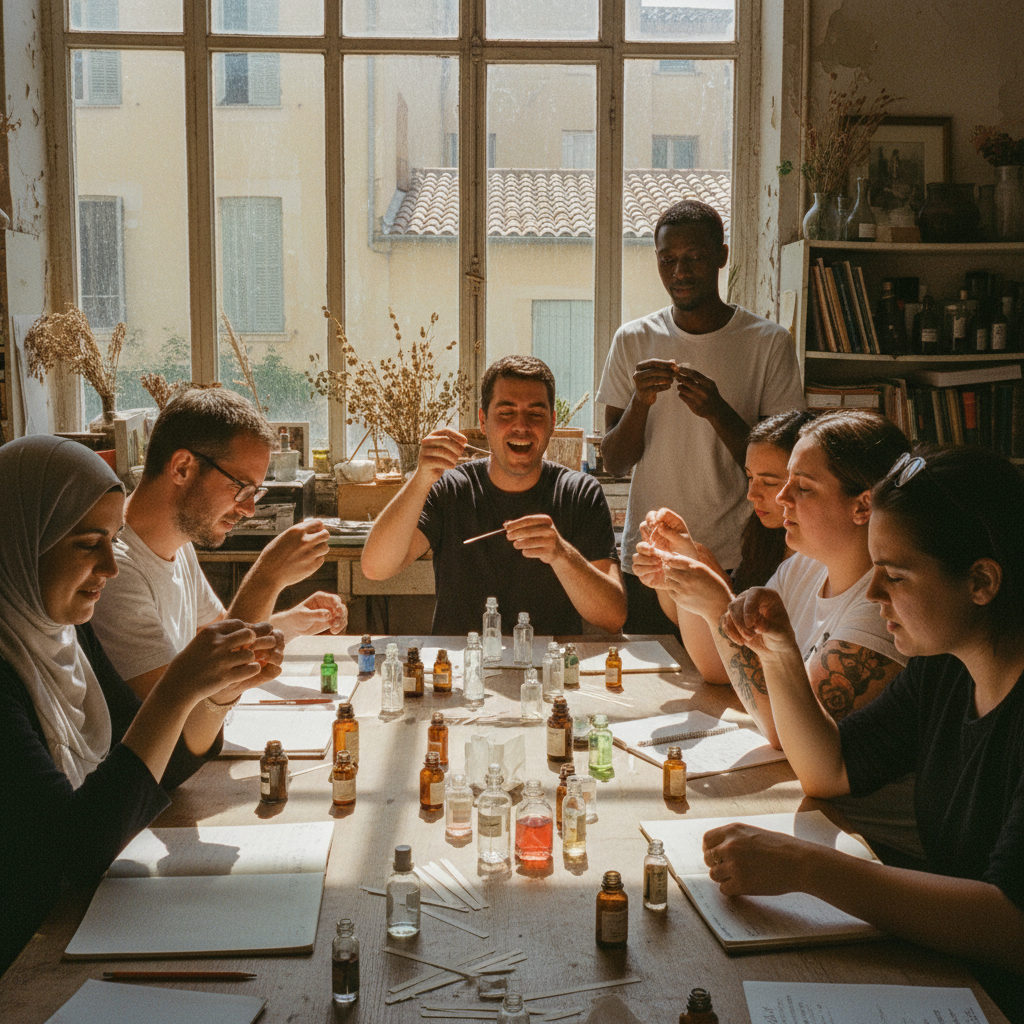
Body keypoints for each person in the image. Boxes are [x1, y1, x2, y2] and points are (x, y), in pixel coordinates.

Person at [705, 446, 1024, 1023]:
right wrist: (777, 651)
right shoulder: (946, 669)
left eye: (894, 576)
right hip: (950, 974)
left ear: (981, 581)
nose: (873, 595)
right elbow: (829, 770)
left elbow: (1010, 925)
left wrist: (809, 868)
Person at [1, 435, 284, 973]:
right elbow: (72, 852)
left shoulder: (64, 637)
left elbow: (162, 764)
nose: (110, 565)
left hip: (73, 926)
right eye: (88, 544)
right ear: (18, 540)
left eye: (111, 540)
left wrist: (219, 689)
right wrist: (178, 688)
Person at [635, 409, 910, 747]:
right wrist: (686, 573)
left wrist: (717, 604)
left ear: (863, 506)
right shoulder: (804, 568)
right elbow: (722, 669)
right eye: (786, 480)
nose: (781, 498)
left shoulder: (883, 607)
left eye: (803, 487)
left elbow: (790, 733)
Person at [597, 198, 804, 633]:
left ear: (722, 257)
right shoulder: (633, 339)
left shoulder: (768, 343)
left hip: (738, 557)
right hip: (651, 559)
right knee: (650, 683)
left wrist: (717, 410)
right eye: (668, 259)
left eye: (695, 258)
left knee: (731, 686)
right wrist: (640, 402)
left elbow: (784, 466)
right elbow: (613, 462)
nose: (680, 272)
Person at [91, 388, 347, 697]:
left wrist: (289, 624)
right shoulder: (113, 573)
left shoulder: (178, 544)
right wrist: (267, 577)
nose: (249, 508)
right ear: (182, 468)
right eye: (241, 487)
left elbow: (215, 639)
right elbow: (177, 716)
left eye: (256, 491)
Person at [360, 355, 626, 635]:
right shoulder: (451, 488)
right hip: (462, 670)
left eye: (535, 414)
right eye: (506, 413)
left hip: (548, 670)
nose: (521, 426)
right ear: (483, 421)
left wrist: (561, 554)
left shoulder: (579, 492)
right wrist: (420, 478)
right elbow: (376, 568)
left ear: (552, 423)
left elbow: (612, 616)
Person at [638, 409, 814, 685]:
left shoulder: (814, 561)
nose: (751, 494)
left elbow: (728, 658)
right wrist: (672, 569)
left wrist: (709, 587)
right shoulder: (764, 538)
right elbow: (706, 631)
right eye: (749, 477)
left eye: (769, 482)